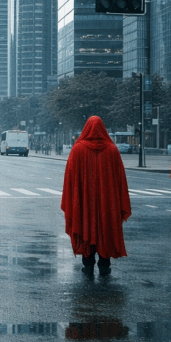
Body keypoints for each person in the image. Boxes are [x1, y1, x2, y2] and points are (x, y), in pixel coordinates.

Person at [61, 116, 132, 275]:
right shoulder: (112, 150)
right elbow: (120, 179)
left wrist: (74, 198)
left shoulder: (78, 149)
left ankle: (87, 263)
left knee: (84, 225)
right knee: (105, 228)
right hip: (107, 202)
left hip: (84, 203)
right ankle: (104, 263)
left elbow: (70, 179)